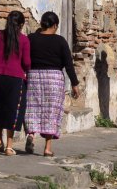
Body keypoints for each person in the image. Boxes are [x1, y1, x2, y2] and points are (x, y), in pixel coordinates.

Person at [23, 11, 81, 157]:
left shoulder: (31, 38)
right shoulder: (60, 41)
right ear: (55, 25)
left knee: (33, 107)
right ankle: (47, 148)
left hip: (34, 76)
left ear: (42, 24)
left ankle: (31, 134)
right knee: (51, 111)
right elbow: (68, 65)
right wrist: (75, 84)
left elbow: (24, 58)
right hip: (54, 78)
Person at [0, 10, 31, 155]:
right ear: (21, 24)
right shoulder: (23, 40)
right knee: (14, 110)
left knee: (1, 106)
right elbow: (27, 62)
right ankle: (9, 146)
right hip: (15, 77)